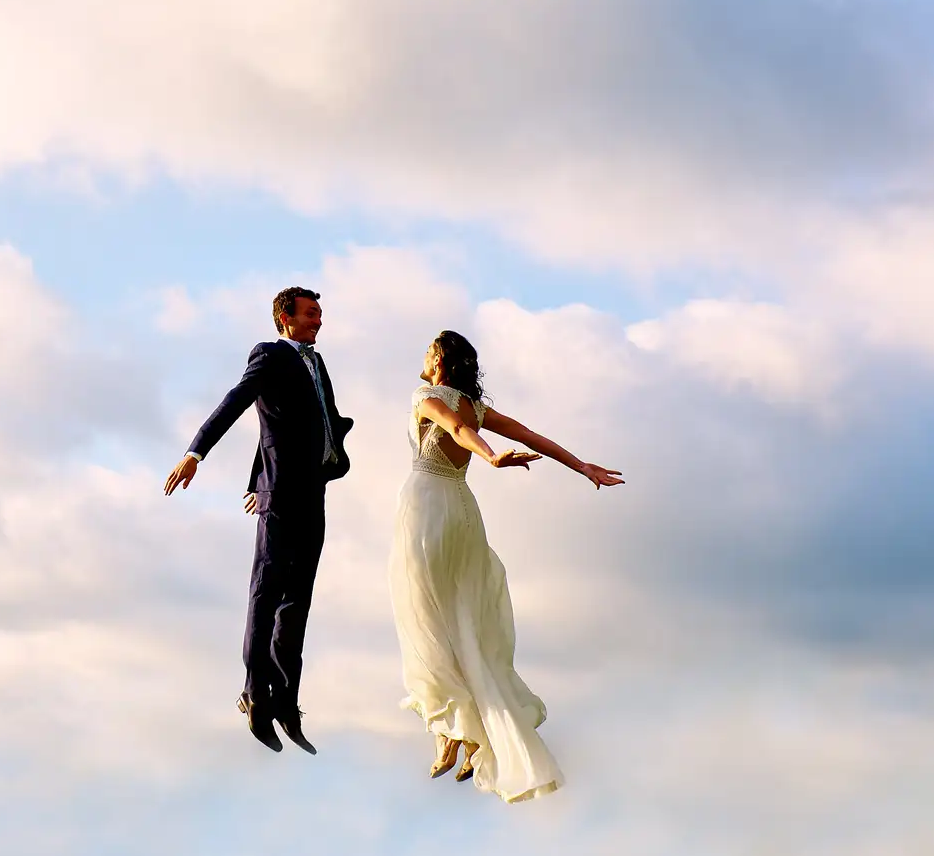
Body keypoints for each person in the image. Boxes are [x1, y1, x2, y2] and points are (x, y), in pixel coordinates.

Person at [391, 329, 622, 799]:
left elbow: (458, 432)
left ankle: (452, 729)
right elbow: (529, 434)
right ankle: (466, 732)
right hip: (462, 512)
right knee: (460, 620)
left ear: (437, 360)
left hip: (427, 510)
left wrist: (492, 457)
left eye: (426, 350)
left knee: (425, 620)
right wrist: (582, 467)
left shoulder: (427, 396)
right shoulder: (476, 407)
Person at [163, 286, 353, 754]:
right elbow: (238, 402)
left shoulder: (316, 363)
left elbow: (279, 426)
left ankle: (287, 701)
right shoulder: (269, 355)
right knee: (266, 596)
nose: (318, 322)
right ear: (284, 318)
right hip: (282, 498)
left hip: (313, 493)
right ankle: (255, 695)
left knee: (298, 603)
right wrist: (196, 452)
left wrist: (257, 476)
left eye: (320, 315)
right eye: (310, 314)